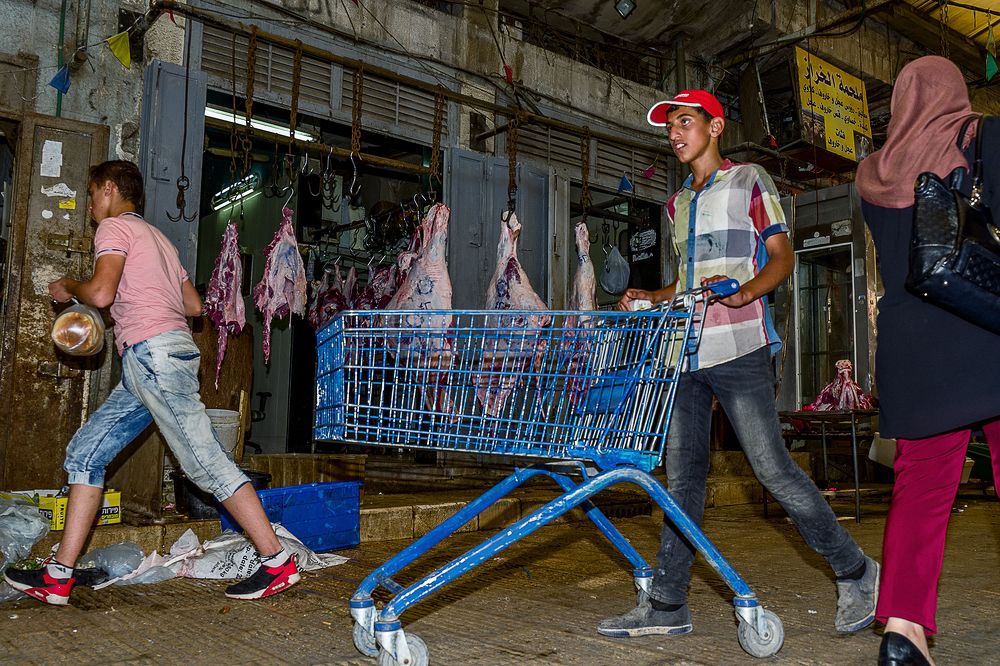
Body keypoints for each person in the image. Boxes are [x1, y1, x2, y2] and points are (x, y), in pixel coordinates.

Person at [597, 90, 878, 639]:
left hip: (741, 348)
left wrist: (745, 292)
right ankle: (668, 605)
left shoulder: (750, 181)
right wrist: (652, 298)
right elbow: (686, 279)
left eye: (684, 122)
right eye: (669, 127)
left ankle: (856, 570)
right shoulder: (677, 204)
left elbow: (781, 256)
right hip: (684, 353)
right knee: (681, 481)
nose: (675, 134)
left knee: (772, 469)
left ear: (715, 126)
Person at [4, 160, 299, 604]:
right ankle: (59, 576)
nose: (89, 205)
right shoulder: (159, 240)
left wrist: (69, 286)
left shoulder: (114, 229)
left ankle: (276, 563)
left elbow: (101, 294)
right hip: (159, 359)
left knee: (203, 464)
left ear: (108, 190)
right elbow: (194, 305)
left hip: (153, 356)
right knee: (85, 453)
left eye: (90, 194)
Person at [855, 56, 1000, 666]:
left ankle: (904, 633)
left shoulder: (872, 172)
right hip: (983, 331)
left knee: (921, 489)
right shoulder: (982, 135)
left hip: (910, 353)